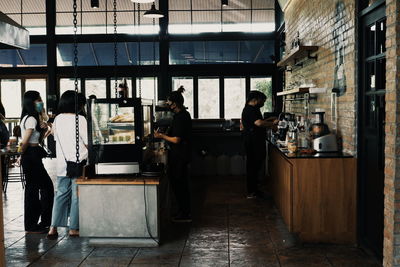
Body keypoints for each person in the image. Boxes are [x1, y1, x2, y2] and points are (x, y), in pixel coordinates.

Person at [47, 91, 88, 239]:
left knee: (60, 195)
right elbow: (88, 142)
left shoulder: (57, 119)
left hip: (62, 165)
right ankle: (73, 229)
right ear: (76, 105)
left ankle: (53, 228)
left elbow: (55, 137)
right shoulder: (81, 119)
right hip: (78, 164)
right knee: (77, 196)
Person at [154, 86, 192, 223]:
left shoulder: (182, 117)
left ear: (175, 104)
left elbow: (177, 139)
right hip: (178, 155)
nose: (168, 104)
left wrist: (161, 135)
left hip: (180, 155)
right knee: (178, 184)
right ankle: (183, 211)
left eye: (169, 102)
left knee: (180, 184)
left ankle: (185, 213)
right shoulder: (179, 115)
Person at [20, 90, 54, 233]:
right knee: (44, 188)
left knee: (34, 189)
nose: (41, 102)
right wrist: (19, 154)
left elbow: (36, 140)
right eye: (38, 100)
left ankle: (36, 223)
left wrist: (46, 130)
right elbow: (26, 140)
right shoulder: (31, 119)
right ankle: (39, 223)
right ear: (31, 102)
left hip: (32, 154)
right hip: (31, 156)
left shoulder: (30, 118)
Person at [241, 90, 277, 199]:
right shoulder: (250, 109)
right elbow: (258, 123)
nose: (263, 103)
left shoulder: (252, 109)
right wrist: (272, 125)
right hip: (253, 142)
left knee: (254, 166)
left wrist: (269, 119)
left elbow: (258, 121)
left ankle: (254, 190)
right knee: (253, 166)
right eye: (262, 101)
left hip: (254, 141)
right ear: (255, 100)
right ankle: (252, 192)